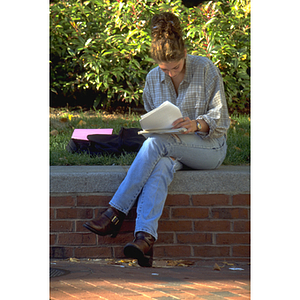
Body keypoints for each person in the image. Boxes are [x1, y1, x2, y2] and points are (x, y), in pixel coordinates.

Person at [84, 11, 230, 267]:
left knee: (156, 144)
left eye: (176, 67)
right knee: (161, 165)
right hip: (170, 149)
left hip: (209, 147)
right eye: (165, 69)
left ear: (185, 54)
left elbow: (222, 119)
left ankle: (116, 211)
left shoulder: (205, 68)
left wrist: (197, 123)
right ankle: (145, 238)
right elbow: (154, 121)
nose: (171, 74)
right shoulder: (153, 78)